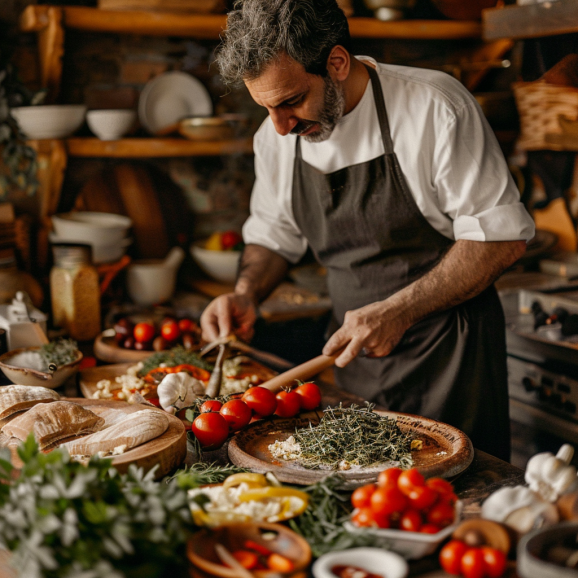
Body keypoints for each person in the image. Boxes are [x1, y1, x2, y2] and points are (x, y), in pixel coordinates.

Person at [200, 0, 535, 461]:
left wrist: (398, 310)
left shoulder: (433, 106)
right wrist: (246, 291)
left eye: (292, 102)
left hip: (451, 361)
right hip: (355, 363)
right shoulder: (276, 137)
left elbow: (501, 237)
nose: (279, 127)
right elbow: (275, 235)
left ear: (336, 63)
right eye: (266, 108)